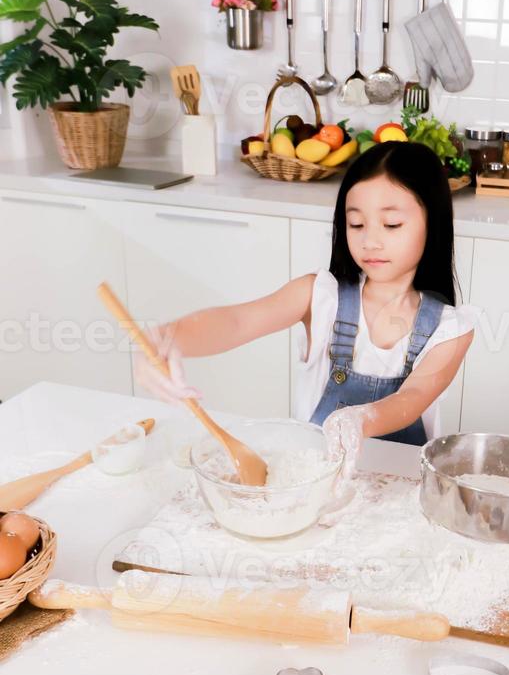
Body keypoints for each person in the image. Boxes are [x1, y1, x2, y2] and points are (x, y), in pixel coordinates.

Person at [135, 141, 480, 471]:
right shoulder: (320, 297)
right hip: (314, 481)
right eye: (356, 223)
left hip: (398, 494)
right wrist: (168, 338)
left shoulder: (450, 329)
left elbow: (414, 397)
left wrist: (362, 418)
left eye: (391, 224)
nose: (370, 240)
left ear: (432, 224)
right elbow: (238, 321)